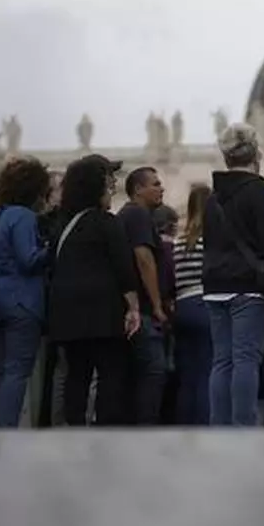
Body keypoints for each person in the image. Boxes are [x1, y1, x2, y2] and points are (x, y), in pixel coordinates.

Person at [202, 124, 264, 426]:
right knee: (246, 360)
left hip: (214, 286)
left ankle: (220, 426)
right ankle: (242, 428)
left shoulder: (212, 198)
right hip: (249, 287)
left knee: (221, 361)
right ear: (256, 153)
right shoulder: (259, 190)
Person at [47, 154, 140, 426]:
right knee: (111, 374)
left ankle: (74, 429)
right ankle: (103, 433)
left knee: (76, 375)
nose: (113, 185)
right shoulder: (106, 222)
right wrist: (133, 307)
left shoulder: (61, 225)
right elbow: (124, 268)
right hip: (104, 314)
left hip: (66, 314)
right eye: (109, 180)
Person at [0, 157, 51, 428]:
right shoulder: (24, 216)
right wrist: (52, 249)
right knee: (17, 372)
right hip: (22, 302)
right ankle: (6, 430)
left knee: (1, 372)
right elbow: (29, 259)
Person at [117, 166, 169, 425]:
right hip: (144, 311)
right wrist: (157, 305)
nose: (162, 188)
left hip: (135, 310)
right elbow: (144, 259)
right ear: (138, 189)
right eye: (155, 184)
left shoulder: (128, 215)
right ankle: (145, 431)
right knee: (153, 371)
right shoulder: (137, 215)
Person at [172, 184, 213, 425]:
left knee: (187, 374)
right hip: (205, 305)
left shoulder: (178, 243)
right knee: (207, 371)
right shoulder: (212, 242)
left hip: (182, 306)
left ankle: (184, 425)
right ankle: (204, 427)